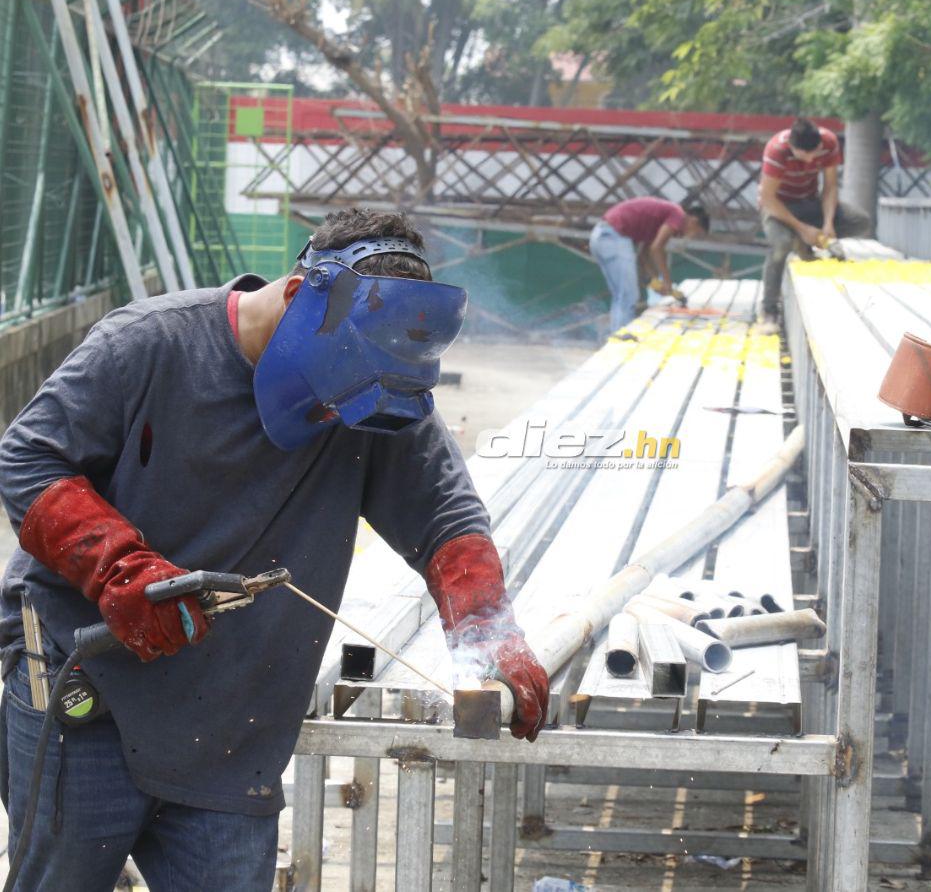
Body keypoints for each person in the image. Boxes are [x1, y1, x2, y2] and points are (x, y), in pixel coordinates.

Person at [0, 207, 550, 891]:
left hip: (232, 732)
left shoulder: (374, 383)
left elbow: (444, 515)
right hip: (88, 700)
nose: (344, 410)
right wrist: (119, 568)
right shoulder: (148, 345)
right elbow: (28, 458)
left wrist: (488, 632)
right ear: (297, 299)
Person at [758, 117, 872, 331]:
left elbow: (829, 188)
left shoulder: (828, 142)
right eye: (804, 155)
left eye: (815, 153)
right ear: (792, 147)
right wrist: (802, 228)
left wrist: (828, 223)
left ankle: (802, 242)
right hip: (779, 209)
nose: (811, 160)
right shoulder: (777, 150)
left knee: (860, 221)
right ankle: (769, 311)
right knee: (781, 244)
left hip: (811, 203)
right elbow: (768, 198)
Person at [589, 197, 709, 336]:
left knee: (620, 295)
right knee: (629, 295)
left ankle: (616, 334)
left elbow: (644, 255)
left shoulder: (658, 222)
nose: (691, 237)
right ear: (693, 221)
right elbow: (657, 248)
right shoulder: (678, 214)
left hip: (601, 236)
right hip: (613, 236)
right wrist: (667, 281)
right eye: (696, 233)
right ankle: (622, 337)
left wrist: (654, 281)